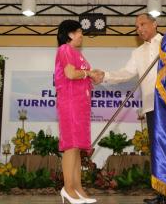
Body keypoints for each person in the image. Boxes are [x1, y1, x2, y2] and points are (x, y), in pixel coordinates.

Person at [93, 13, 166, 204]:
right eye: (137, 27)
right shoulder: (137, 53)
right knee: (157, 152)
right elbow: (126, 73)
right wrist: (105, 75)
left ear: (155, 24)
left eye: (143, 24)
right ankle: (162, 194)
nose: (140, 29)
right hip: (151, 107)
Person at [54, 19, 102, 204]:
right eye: (79, 31)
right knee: (70, 146)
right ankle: (68, 188)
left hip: (81, 105)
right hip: (70, 103)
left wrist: (94, 76)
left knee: (77, 148)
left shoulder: (78, 54)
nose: (82, 35)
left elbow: (83, 76)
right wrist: (88, 73)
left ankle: (77, 188)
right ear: (70, 34)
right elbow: (70, 74)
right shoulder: (65, 49)